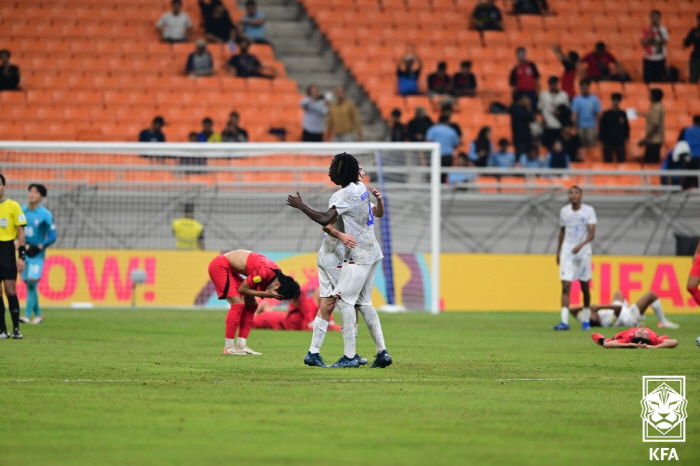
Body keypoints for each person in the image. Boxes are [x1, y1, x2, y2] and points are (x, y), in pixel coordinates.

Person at [286, 153, 392, 369]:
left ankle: (350, 355)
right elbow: (333, 222)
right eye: (359, 168)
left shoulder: (343, 195)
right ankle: (377, 352)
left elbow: (325, 220)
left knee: (344, 301)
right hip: (360, 252)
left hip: (351, 255)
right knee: (354, 303)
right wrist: (341, 234)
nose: (330, 171)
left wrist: (301, 205)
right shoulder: (361, 190)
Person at [207, 249, 300, 355]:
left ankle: (241, 346)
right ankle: (228, 347)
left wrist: (269, 293)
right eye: (275, 295)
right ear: (278, 285)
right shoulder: (263, 273)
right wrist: (267, 294)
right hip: (220, 266)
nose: (273, 296)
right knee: (238, 304)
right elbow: (242, 289)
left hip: (231, 270)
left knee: (252, 305)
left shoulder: (275, 275)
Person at [554, 185, 596, 331]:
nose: (573, 195)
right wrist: (558, 251)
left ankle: (586, 320)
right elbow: (562, 231)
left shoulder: (589, 211)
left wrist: (580, 245)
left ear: (581, 195)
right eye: (570, 193)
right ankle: (564, 322)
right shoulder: (564, 211)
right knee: (565, 286)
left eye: (576, 193)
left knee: (585, 287)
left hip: (583, 252)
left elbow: (591, 234)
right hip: (567, 252)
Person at [18, 184, 55, 325]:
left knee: (32, 283)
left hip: (36, 255)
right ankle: (38, 314)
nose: (32, 194)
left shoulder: (45, 214)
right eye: (30, 191)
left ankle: (26, 316)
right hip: (23, 253)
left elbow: (52, 236)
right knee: (28, 284)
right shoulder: (21, 211)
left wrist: (40, 246)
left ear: (42, 196)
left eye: (36, 192)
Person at [0, 174, 27, 339]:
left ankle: (16, 328)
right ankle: (2, 330)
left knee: (10, 290)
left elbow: (20, 232)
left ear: (4, 186)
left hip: (7, 249)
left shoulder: (13, 206)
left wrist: (21, 256)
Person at [569, 289, 678, 329]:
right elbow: (618, 309)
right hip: (628, 318)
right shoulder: (606, 322)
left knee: (618, 293)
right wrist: (599, 307)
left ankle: (638, 319)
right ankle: (663, 322)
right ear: (596, 320)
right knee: (651, 295)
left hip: (623, 310)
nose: (591, 313)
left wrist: (586, 307)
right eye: (592, 314)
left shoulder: (585, 318)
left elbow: (571, 310)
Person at [538, 76, 570, 149]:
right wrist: (542, 120)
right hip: (547, 126)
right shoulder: (543, 95)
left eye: (554, 83)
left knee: (559, 147)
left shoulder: (563, 95)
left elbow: (567, 111)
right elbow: (539, 109)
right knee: (547, 147)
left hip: (559, 126)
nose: (553, 85)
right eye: (551, 83)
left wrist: (561, 113)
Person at [426, 114, 461, 180]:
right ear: (447, 121)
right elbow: (456, 145)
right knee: (443, 176)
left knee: (433, 176)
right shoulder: (452, 131)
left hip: (435, 155)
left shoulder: (433, 129)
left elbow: (428, 142)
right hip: (447, 157)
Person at [598, 93, 630, 163]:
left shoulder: (622, 114)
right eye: (614, 100)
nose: (616, 102)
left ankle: (621, 174)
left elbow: (626, 127)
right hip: (608, 141)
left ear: (620, 101)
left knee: (621, 161)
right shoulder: (607, 114)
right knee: (608, 161)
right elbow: (602, 127)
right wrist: (601, 139)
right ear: (612, 101)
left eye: (617, 100)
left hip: (619, 141)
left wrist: (626, 137)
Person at [640, 10, 669, 83]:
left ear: (659, 18)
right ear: (650, 18)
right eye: (653, 17)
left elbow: (664, 42)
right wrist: (650, 34)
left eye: (657, 18)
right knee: (647, 80)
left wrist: (659, 32)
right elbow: (643, 44)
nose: (655, 19)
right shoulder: (645, 29)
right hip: (648, 59)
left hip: (660, 58)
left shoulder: (664, 29)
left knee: (659, 80)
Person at [571, 79, 601, 148]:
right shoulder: (576, 99)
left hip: (591, 127)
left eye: (586, 86)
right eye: (583, 87)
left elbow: (598, 114)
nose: (584, 88)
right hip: (580, 127)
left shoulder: (594, 99)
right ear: (580, 87)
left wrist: (598, 127)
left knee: (591, 146)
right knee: (581, 146)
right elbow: (574, 114)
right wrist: (574, 127)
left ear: (588, 87)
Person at [638, 88, 665, 164]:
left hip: (653, 141)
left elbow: (655, 125)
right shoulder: (657, 106)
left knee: (650, 164)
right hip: (654, 140)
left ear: (653, 96)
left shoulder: (656, 108)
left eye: (650, 95)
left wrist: (645, 139)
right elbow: (651, 117)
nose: (649, 96)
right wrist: (640, 114)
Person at [591, 328, 677, 349]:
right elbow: (674, 342)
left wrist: (627, 344)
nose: (641, 330)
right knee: (606, 341)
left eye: (641, 332)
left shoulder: (627, 339)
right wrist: (655, 347)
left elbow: (674, 342)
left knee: (606, 342)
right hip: (619, 335)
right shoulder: (654, 340)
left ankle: (604, 339)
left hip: (622, 336)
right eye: (642, 332)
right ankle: (604, 339)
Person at [510, 92, 535, 159]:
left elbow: (533, 118)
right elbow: (530, 116)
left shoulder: (522, 109)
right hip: (520, 139)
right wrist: (528, 106)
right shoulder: (515, 109)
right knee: (520, 157)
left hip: (526, 138)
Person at [683, 14, 700, 83]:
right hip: (695, 58)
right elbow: (686, 43)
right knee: (693, 81)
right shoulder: (694, 31)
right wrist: (693, 36)